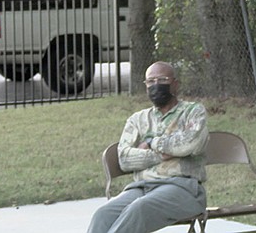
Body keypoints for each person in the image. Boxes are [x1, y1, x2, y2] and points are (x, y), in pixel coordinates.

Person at [87, 61, 209, 233]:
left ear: (175, 83)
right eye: (150, 81)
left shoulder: (193, 112)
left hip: (184, 189)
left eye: (162, 79)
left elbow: (188, 144)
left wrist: (152, 142)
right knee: (103, 214)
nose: (156, 85)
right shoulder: (137, 120)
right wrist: (159, 155)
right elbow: (124, 159)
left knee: (138, 209)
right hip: (142, 187)